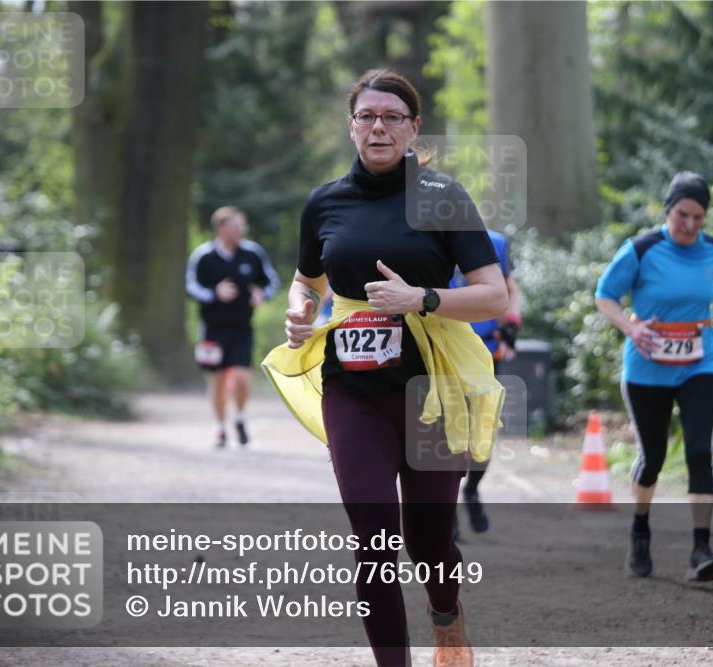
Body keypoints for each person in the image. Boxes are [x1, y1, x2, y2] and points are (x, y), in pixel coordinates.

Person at [262, 69, 507, 667]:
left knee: (430, 543)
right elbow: (305, 280)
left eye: (392, 117)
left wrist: (420, 298)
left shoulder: (443, 196)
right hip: (352, 389)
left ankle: (446, 618)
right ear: (351, 126)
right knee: (373, 540)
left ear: (413, 127)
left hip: (432, 387)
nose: (379, 127)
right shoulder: (324, 202)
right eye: (367, 117)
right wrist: (300, 309)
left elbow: (494, 295)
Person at [594, 171, 713, 581]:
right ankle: (640, 529)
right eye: (683, 214)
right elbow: (605, 296)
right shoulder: (642, 248)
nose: (690, 224)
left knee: (700, 450)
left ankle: (701, 548)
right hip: (647, 367)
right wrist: (631, 329)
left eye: (698, 217)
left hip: (701, 362)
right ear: (668, 210)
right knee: (653, 458)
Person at [186, 206, 280, 448]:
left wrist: (262, 294)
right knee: (217, 380)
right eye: (235, 226)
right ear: (221, 228)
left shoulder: (253, 253)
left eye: (242, 225)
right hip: (212, 329)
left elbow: (272, 281)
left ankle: (239, 417)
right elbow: (191, 287)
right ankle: (220, 427)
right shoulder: (204, 256)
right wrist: (214, 293)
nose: (241, 230)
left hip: (242, 328)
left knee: (241, 377)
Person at [449, 229, 522, 535]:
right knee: (446, 434)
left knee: (483, 433)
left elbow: (510, 289)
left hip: (486, 352)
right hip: (444, 350)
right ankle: (447, 510)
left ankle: (472, 490)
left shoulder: (494, 242)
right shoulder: (425, 238)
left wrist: (511, 326)